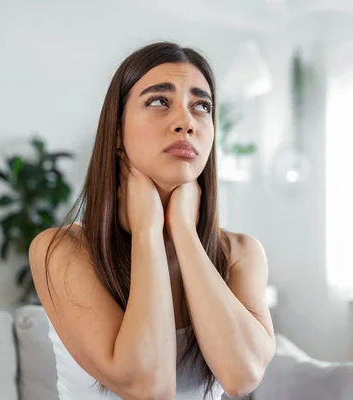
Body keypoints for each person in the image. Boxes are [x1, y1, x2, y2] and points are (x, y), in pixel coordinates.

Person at [29, 41, 276, 400]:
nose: (186, 122)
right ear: (116, 131)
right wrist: (147, 230)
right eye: (159, 101)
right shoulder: (61, 250)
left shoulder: (242, 253)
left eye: (201, 106)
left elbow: (242, 377)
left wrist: (185, 233)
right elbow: (148, 388)